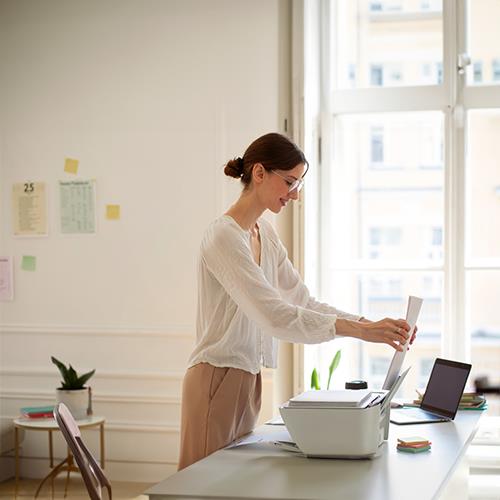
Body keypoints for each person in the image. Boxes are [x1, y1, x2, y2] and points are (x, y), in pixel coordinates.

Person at [177, 132, 416, 470]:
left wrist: (369, 325)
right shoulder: (223, 237)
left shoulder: (266, 235)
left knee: (232, 487)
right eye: (289, 181)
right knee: (197, 489)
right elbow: (273, 316)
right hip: (215, 376)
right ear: (259, 173)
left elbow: (303, 301)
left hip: (248, 378)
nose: (295, 194)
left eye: (298, 184)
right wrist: (360, 332)